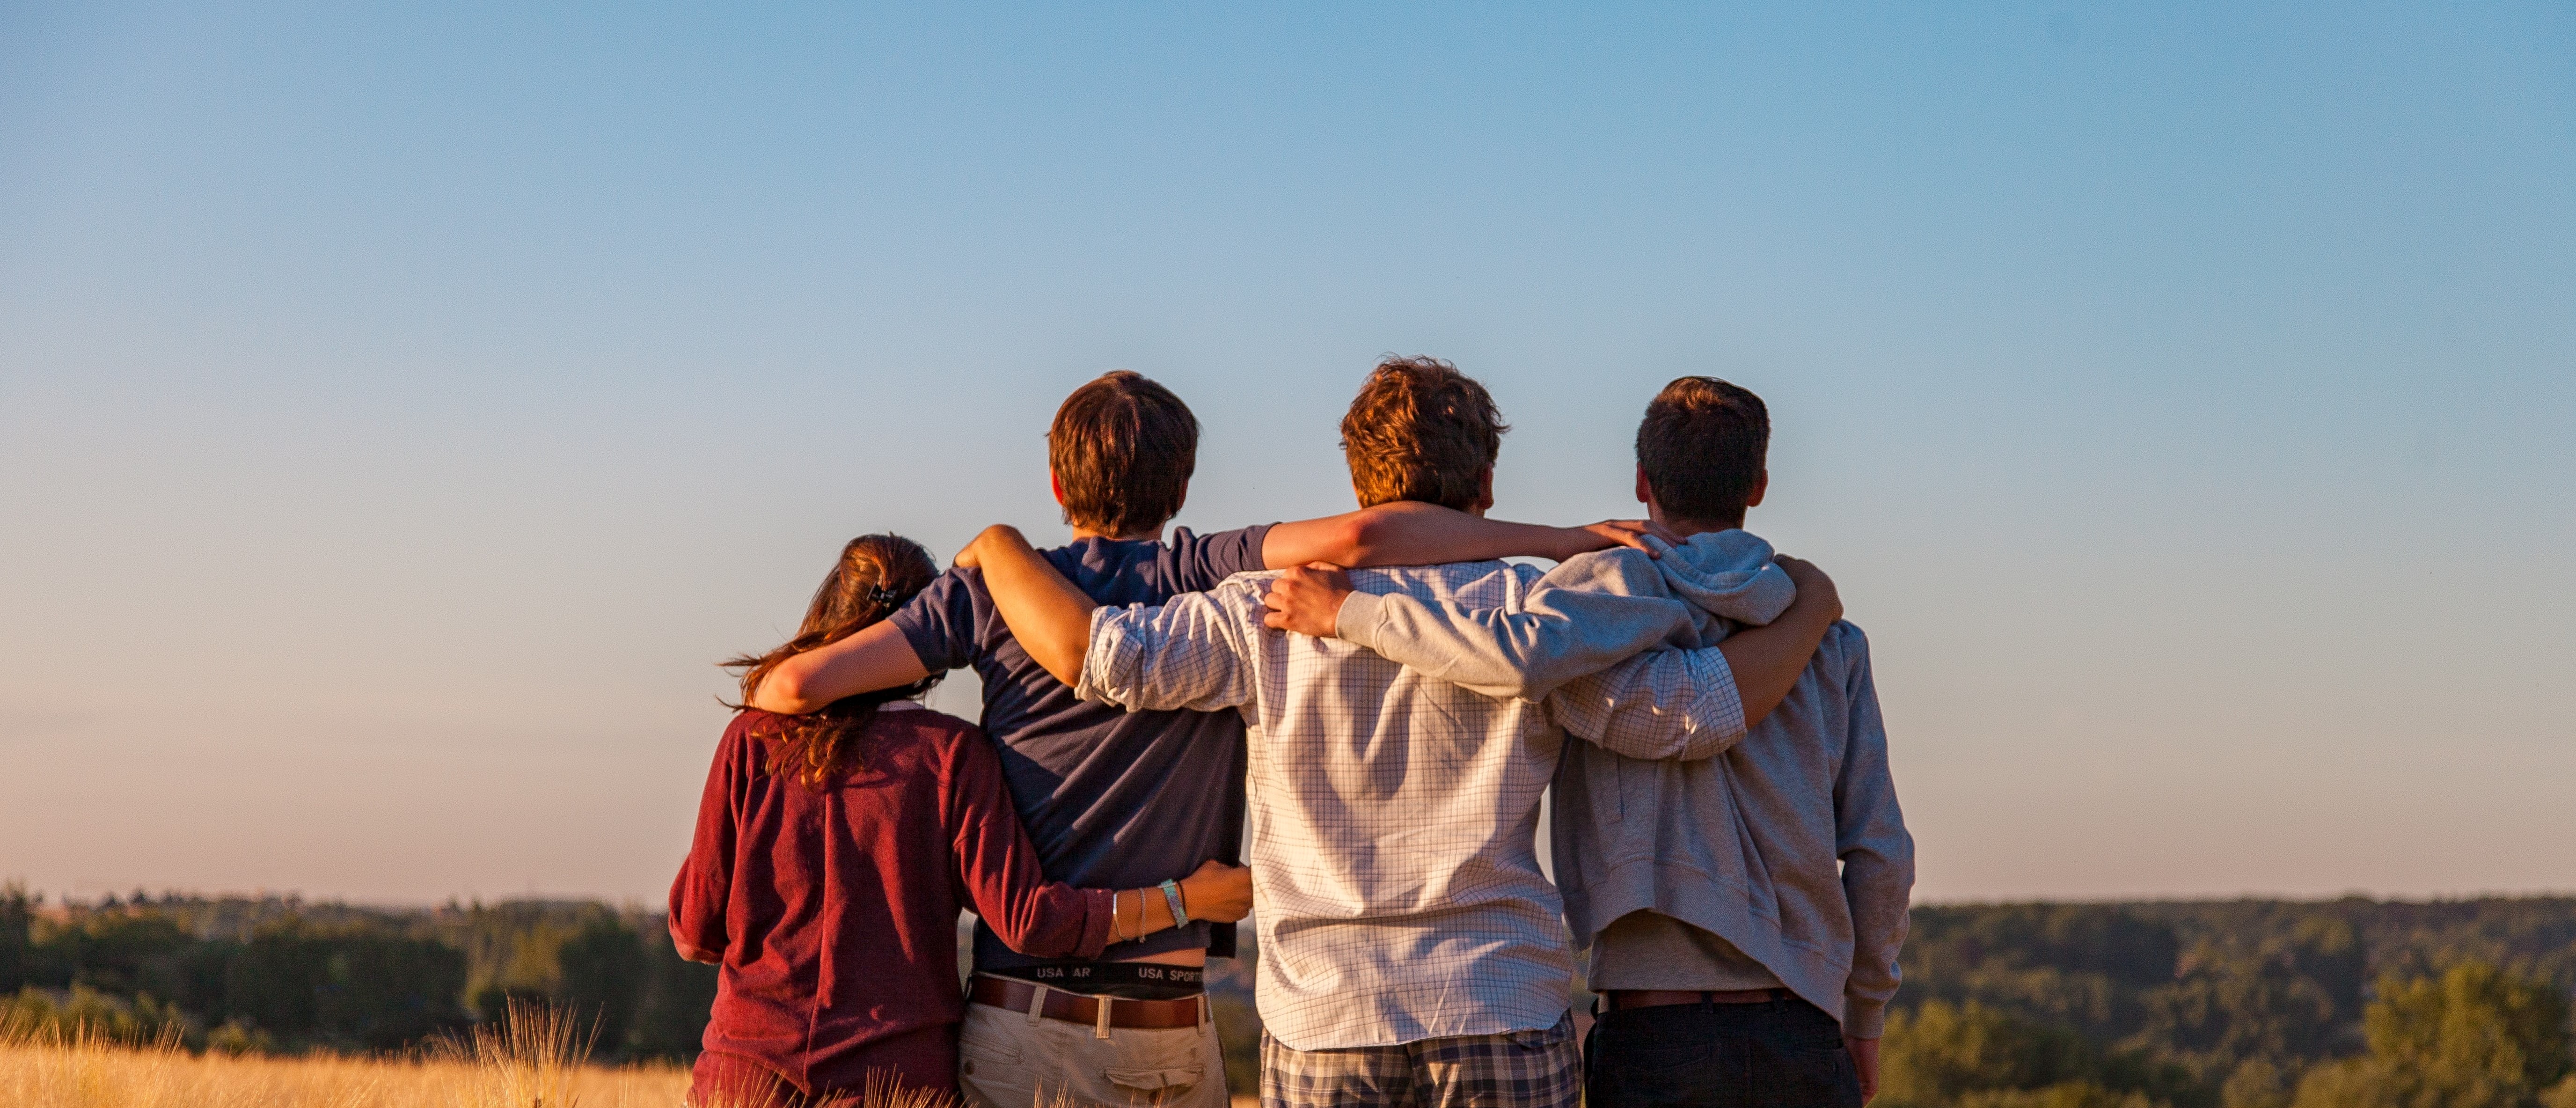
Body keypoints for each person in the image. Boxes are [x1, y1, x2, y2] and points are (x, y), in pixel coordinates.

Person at [744, 371, 1680, 1108]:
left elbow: (791, 687)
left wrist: (988, 554)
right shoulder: (1209, 570)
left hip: (1057, 1012)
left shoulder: (1014, 592)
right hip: (1229, 1011)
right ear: (1183, 483)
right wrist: (1562, 541)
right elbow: (1363, 537)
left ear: (1057, 482)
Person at [961, 358, 1845, 1108]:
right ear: (1486, 485)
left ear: (1356, 483)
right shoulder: (1536, 612)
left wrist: (999, 548)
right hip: (1497, 997)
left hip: (1324, 1017)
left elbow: (1103, 659)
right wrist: (1807, 611)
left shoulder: (1258, 612)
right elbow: (1686, 716)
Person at [1263, 376, 1916, 1108]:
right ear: (1757, 484)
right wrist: (1864, 1012)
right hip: (1805, 1025)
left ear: (1642, 480)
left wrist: (1355, 612)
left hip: (1652, 1027)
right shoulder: (1833, 642)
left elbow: (1520, 658)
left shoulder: (1591, 613)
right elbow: (1881, 851)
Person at [668, 533, 1254, 1108]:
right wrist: (1185, 900)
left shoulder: (751, 740)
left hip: (744, 1076)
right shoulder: (950, 755)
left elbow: (696, 932)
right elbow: (1029, 922)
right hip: (894, 1081)